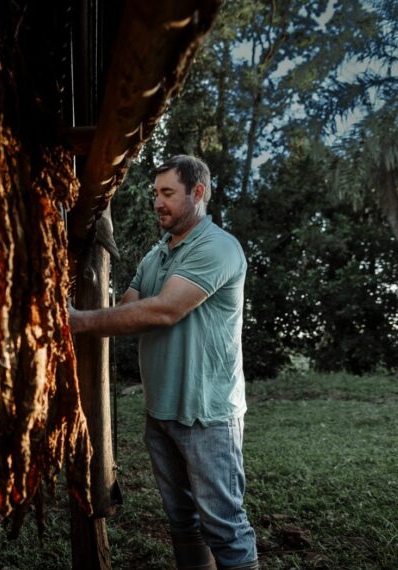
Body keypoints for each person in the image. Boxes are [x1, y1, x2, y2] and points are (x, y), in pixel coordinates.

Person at [69, 155, 258, 570]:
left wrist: (76, 321)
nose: (157, 202)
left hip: (208, 416)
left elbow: (164, 310)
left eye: (168, 193)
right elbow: (127, 312)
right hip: (161, 413)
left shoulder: (218, 247)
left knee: (225, 527)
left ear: (198, 192)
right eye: (155, 193)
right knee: (182, 521)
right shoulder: (156, 256)